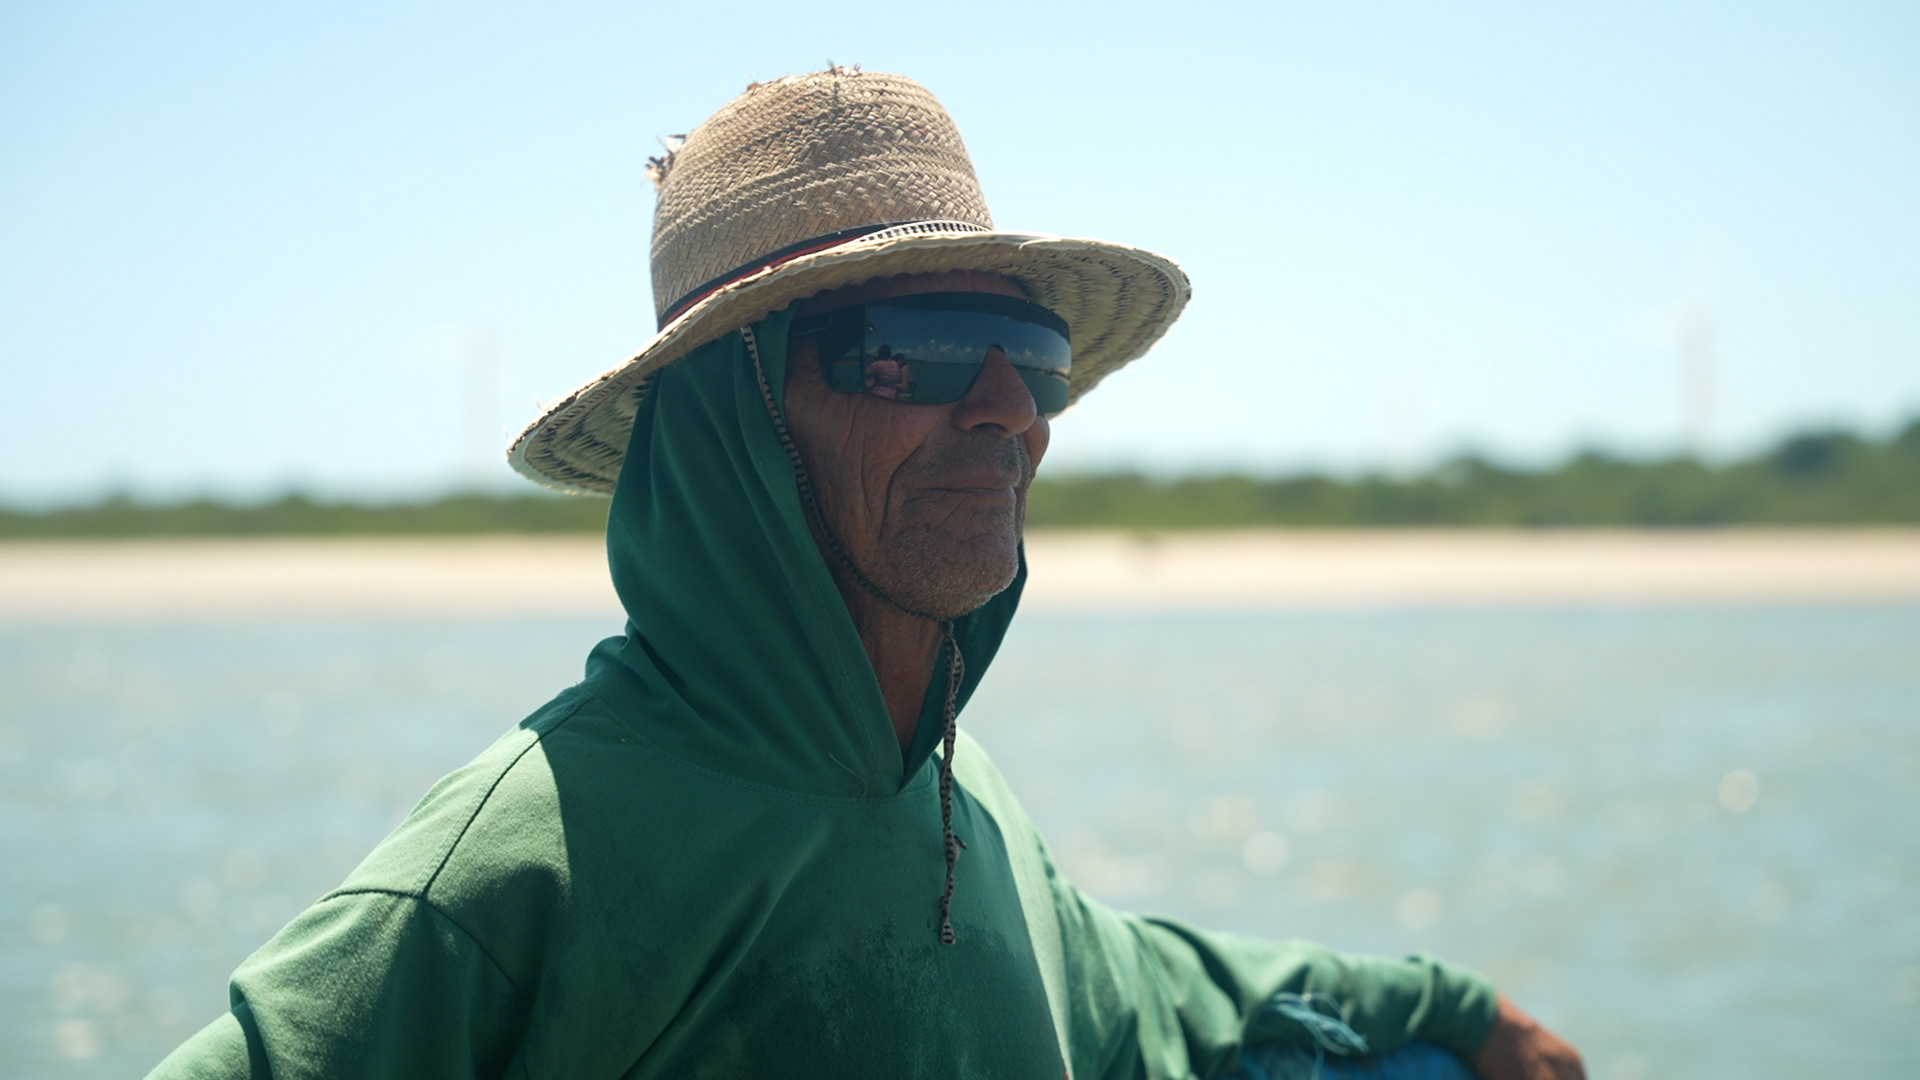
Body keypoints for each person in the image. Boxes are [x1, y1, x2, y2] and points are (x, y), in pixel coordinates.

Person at [149, 68, 1583, 1080]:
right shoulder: (523, 864)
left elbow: (1131, 989)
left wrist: (1449, 1008)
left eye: (1031, 363)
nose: (1011, 414)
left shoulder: (954, 795)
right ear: (733, 420)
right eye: (917, 353)